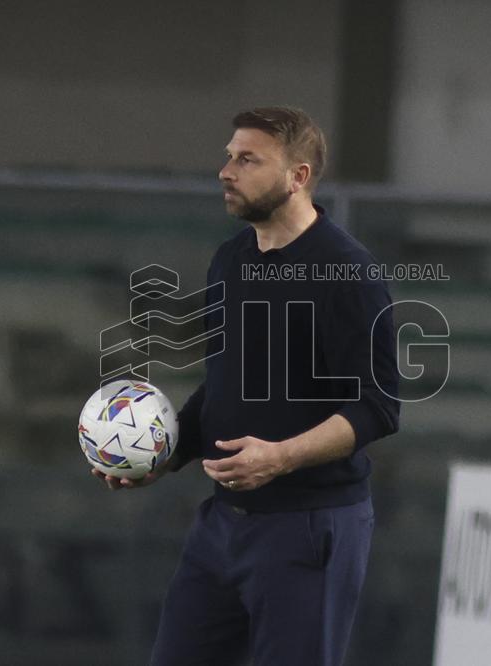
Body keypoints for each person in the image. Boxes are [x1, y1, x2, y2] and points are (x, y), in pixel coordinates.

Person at [94, 106, 401, 665]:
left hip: (309, 529)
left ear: (298, 176)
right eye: (229, 156)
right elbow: (222, 384)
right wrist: (163, 454)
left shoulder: (348, 272)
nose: (225, 171)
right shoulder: (232, 260)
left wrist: (281, 457)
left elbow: (378, 407)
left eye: (247, 159)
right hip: (222, 526)